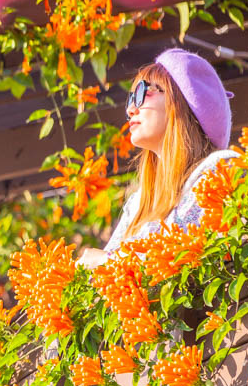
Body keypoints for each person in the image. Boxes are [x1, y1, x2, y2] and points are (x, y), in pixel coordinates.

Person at [76, 48, 237, 270]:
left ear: (179, 102)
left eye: (143, 92)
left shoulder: (219, 170)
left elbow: (183, 258)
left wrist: (106, 261)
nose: (131, 109)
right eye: (131, 98)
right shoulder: (139, 203)